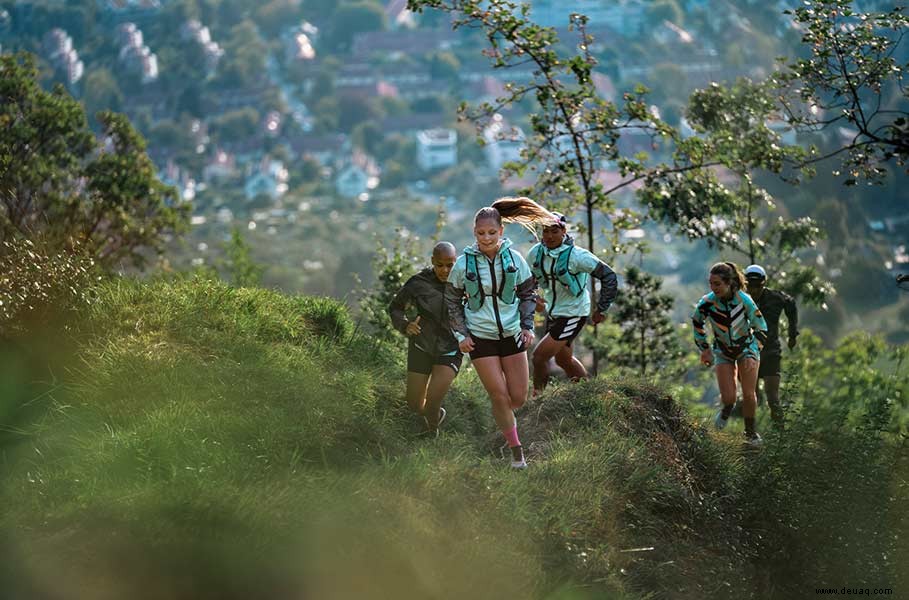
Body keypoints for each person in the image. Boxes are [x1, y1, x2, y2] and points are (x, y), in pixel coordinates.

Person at [446, 197, 553, 469]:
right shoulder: (463, 265)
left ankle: (505, 421)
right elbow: (451, 301)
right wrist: (462, 335)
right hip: (480, 339)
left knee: (517, 397)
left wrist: (527, 326)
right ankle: (516, 451)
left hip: (511, 334)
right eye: (481, 233)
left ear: (501, 232)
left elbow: (529, 293)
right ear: (474, 233)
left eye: (492, 232)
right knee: (499, 395)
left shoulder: (515, 260)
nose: (486, 238)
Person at [528, 212, 618, 393]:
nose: (550, 236)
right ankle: (589, 395)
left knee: (539, 357)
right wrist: (533, 297)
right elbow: (531, 280)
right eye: (546, 231)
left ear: (564, 231)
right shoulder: (536, 253)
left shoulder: (577, 256)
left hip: (574, 314)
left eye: (555, 231)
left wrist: (601, 308)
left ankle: (538, 400)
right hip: (554, 312)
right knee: (563, 360)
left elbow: (609, 276)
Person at [691, 262, 769, 446]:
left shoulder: (744, 300)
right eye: (711, 283)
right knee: (729, 398)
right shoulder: (707, 303)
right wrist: (705, 350)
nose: (713, 288)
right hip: (723, 350)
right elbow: (697, 323)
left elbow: (761, 328)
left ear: (728, 283)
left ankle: (750, 433)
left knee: (749, 394)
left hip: (746, 348)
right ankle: (726, 410)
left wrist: (755, 351)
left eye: (717, 284)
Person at [388, 242, 462, 435]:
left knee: (433, 399)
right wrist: (405, 325)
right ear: (432, 262)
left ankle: (431, 437)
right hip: (421, 345)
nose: (445, 270)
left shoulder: (464, 282)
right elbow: (395, 307)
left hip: (451, 348)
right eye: (439, 265)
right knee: (413, 405)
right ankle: (434, 417)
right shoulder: (418, 282)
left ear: (457, 262)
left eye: (450, 265)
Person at [743, 264, 799, 426]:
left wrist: (792, 333)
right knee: (750, 396)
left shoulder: (776, 297)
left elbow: (791, 304)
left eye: (757, 286)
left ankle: (780, 435)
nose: (754, 291)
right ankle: (750, 433)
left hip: (771, 352)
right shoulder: (741, 300)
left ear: (763, 283)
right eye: (750, 286)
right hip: (749, 353)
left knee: (773, 398)